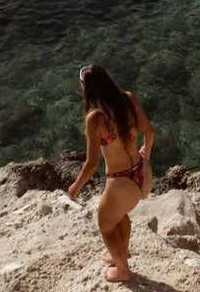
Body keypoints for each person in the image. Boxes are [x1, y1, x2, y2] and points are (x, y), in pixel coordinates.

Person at [68, 64, 155, 284]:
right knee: (119, 215)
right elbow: (150, 132)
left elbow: (91, 164)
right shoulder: (128, 99)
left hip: (121, 182)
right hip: (142, 174)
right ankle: (121, 254)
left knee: (105, 224)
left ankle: (123, 271)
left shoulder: (95, 118)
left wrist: (75, 187)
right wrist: (146, 151)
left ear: (87, 89)